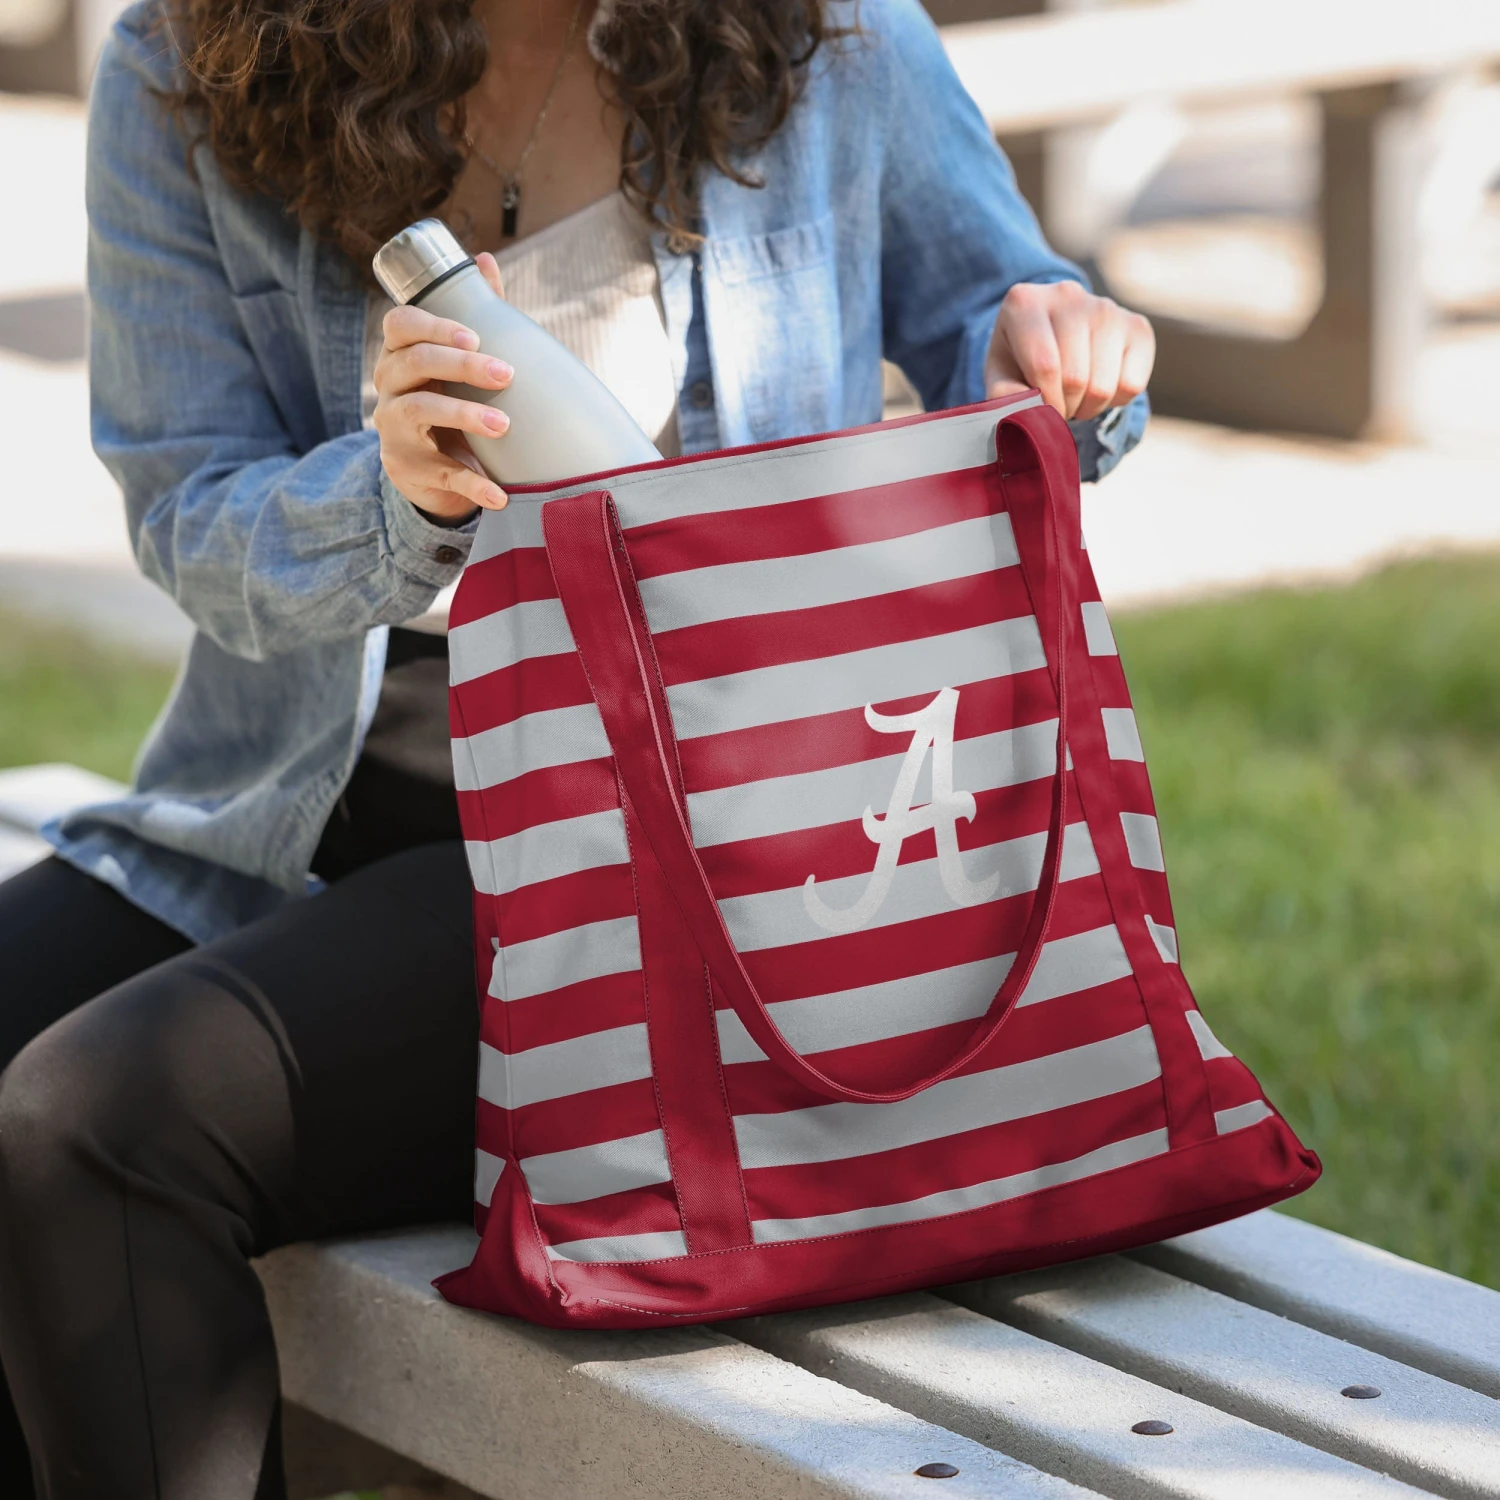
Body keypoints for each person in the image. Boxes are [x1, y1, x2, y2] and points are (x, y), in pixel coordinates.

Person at [0, 0, 1155, 1493]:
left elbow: (1006, 321)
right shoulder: (185, 63)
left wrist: (1064, 353)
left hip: (672, 852)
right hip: (294, 799)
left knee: (99, 1127)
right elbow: (191, 513)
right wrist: (393, 501)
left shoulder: (830, 39)